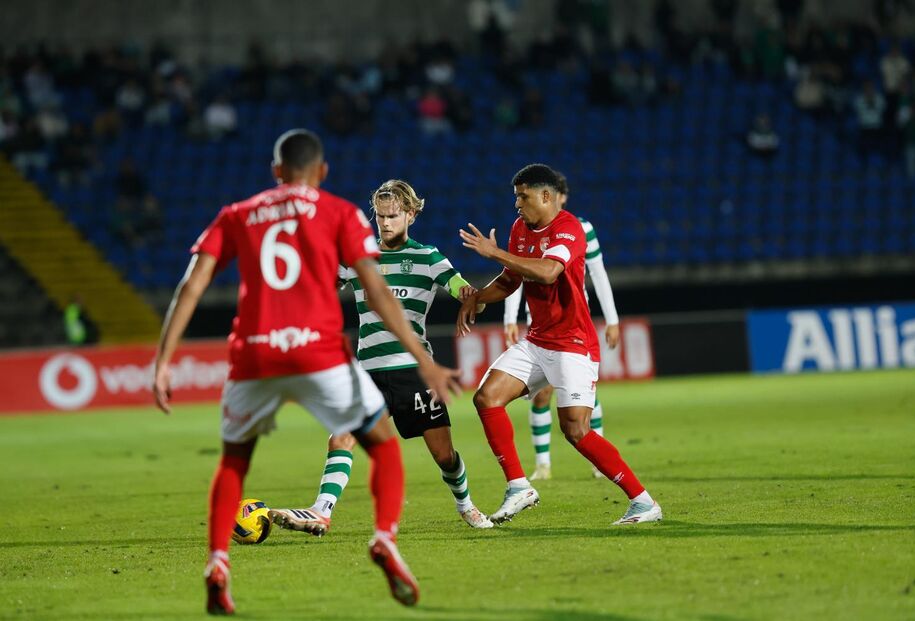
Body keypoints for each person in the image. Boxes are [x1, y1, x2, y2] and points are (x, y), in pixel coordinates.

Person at [151, 129, 459, 614]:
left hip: (253, 353)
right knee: (381, 444)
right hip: (316, 352)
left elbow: (193, 285)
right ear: (321, 173)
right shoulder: (339, 212)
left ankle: (217, 563)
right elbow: (376, 290)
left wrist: (164, 361)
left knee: (234, 461)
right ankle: (384, 539)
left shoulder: (237, 214)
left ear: (276, 171)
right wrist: (427, 361)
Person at [269, 179, 493, 535]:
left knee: (443, 455)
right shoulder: (359, 257)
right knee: (341, 437)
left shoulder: (428, 257)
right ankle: (321, 511)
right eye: (380, 216)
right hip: (368, 372)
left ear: (411, 215)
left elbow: (460, 286)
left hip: (414, 374)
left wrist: (468, 296)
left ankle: (466, 505)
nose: (386, 223)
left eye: (393, 216)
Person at [457, 163, 661, 526]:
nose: (517, 204)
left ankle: (643, 501)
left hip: (573, 343)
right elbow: (510, 279)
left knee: (575, 430)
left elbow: (550, 271)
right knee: (487, 398)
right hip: (537, 340)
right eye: (516, 197)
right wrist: (478, 297)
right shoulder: (520, 228)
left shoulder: (570, 228)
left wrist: (495, 253)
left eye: (524, 196)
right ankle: (519, 486)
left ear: (546, 196)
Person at [502, 172, 620, 481]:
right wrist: (510, 318)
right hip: (538, 323)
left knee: (583, 399)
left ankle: (599, 460)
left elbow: (599, 274)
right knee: (541, 396)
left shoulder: (580, 229)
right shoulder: (525, 228)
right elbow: (514, 273)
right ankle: (543, 464)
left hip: (571, 322)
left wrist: (613, 319)